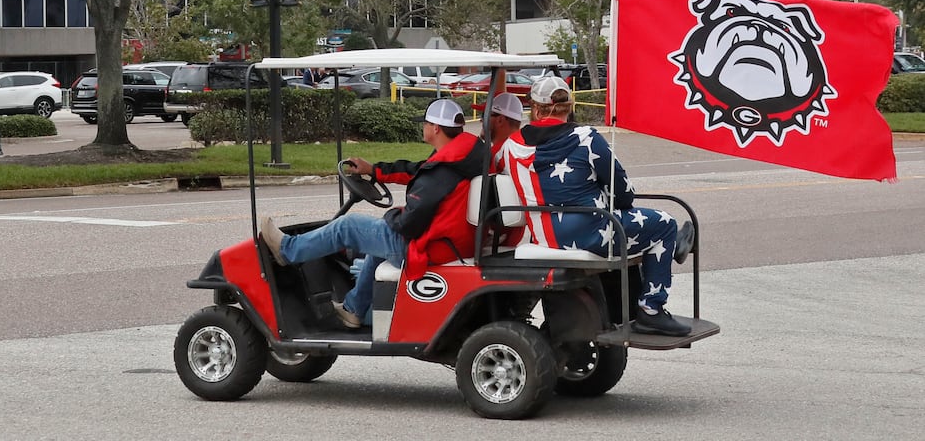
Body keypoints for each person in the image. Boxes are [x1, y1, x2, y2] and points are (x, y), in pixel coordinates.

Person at [260, 98, 483, 328]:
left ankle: (287, 250)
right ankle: (354, 309)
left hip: (427, 247)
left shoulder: (442, 172)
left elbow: (409, 223)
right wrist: (374, 170)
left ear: (435, 128)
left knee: (348, 226)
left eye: (425, 123)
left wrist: (391, 218)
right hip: (451, 242)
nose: (423, 127)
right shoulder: (460, 158)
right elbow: (416, 171)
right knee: (376, 242)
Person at [500, 74, 695, 337]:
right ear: (569, 107)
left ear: (534, 108)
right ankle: (651, 310)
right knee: (664, 224)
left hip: (545, 236)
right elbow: (624, 193)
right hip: (591, 234)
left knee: (635, 225)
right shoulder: (586, 138)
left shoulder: (511, 146)